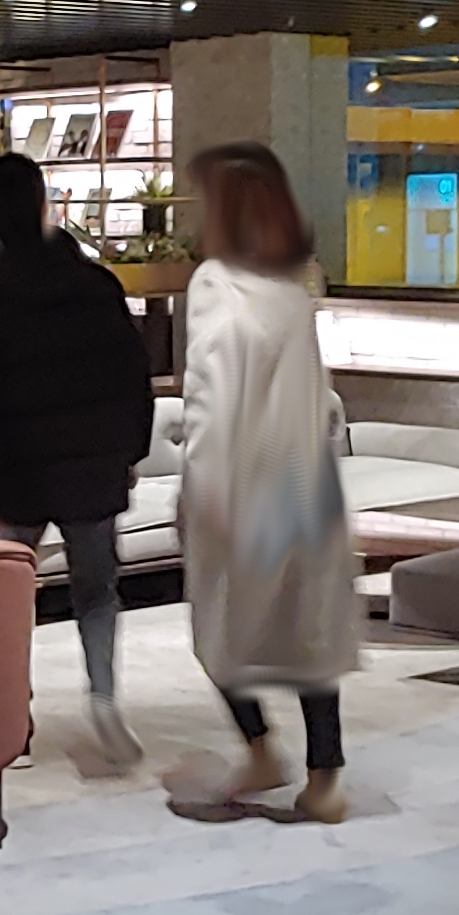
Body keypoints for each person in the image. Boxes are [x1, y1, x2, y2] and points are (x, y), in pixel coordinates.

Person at [0, 152, 158, 762]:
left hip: (13, 474)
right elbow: (133, 380)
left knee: (8, 596)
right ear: (44, 205)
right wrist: (127, 454)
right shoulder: (96, 286)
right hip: (91, 467)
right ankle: (105, 699)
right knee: (97, 590)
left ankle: (14, 714)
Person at [176, 141, 362, 822]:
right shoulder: (293, 287)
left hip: (239, 481)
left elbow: (212, 390)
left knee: (218, 629)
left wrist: (200, 486)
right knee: (309, 634)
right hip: (304, 479)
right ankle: (325, 775)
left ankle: (260, 748)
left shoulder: (216, 284)